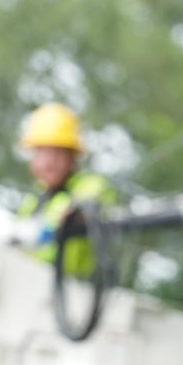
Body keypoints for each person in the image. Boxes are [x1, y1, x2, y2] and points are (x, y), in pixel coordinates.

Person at [15, 102, 116, 277]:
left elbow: (91, 204)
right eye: (41, 153)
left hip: (78, 295)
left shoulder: (90, 186)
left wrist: (77, 215)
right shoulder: (31, 203)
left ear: (72, 156)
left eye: (55, 153)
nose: (47, 163)